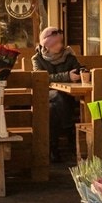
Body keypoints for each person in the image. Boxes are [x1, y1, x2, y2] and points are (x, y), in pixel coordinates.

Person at [33, 26, 86, 164]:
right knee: (57, 96)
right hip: (46, 94)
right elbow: (43, 78)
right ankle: (69, 134)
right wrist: (67, 76)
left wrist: (81, 72)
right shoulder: (37, 59)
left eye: (61, 42)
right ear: (47, 45)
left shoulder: (68, 55)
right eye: (56, 43)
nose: (60, 45)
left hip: (67, 97)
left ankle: (54, 149)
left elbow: (78, 68)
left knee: (52, 109)